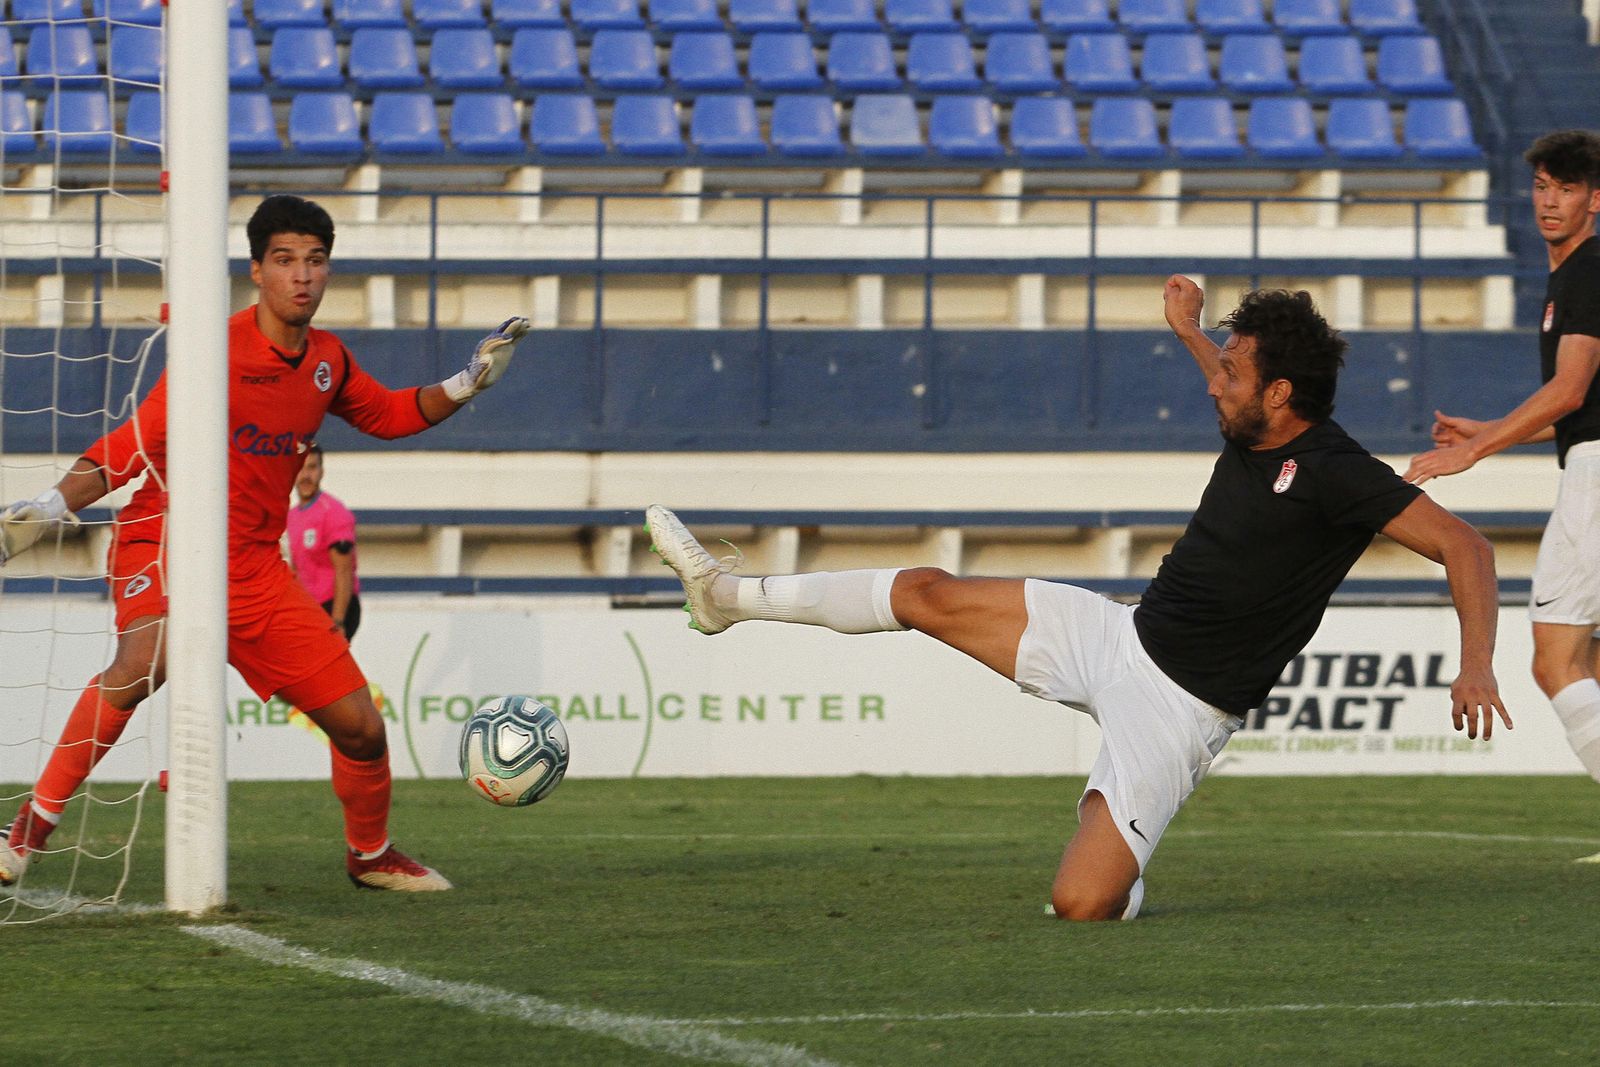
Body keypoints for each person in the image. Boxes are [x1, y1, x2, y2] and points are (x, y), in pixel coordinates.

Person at [646, 279, 1509, 921]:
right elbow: (1226, 376)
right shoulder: (1255, 419)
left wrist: (1475, 667)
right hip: (1116, 636)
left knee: (1081, 905)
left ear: (1280, 393)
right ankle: (726, 594)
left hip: (1180, 712)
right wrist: (1189, 331)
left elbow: (1466, 545)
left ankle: (1121, 866)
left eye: (1235, 371)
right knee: (923, 591)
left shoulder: (1338, 472)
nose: (1218, 382)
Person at [0, 195, 530, 892]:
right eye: (285, 261)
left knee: (362, 727)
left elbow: (391, 413)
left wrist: (467, 383)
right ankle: (23, 837)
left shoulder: (328, 361)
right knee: (142, 661)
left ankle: (369, 854)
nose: (302, 276)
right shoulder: (213, 349)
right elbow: (128, 450)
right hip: (165, 537)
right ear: (256, 271)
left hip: (252, 566)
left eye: (314, 261)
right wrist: (48, 505)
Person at [1404, 130, 1600, 847]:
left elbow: (1571, 388)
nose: (1550, 201)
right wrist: (1491, 426)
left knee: (1554, 659)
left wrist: (1478, 449)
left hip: (1595, 478)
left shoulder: (1587, 271)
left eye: (1567, 188)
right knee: (1590, 661)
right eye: (1543, 186)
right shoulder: (1574, 274)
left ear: (1596, 200)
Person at [288, 444, 362, 641]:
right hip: (310, 608)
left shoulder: (333, 513)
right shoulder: (292, 516)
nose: (306, 476)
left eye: (312, 468)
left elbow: (344, 570)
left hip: (334, 606)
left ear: (321, 471)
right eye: (300, 468)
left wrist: (338, 621)